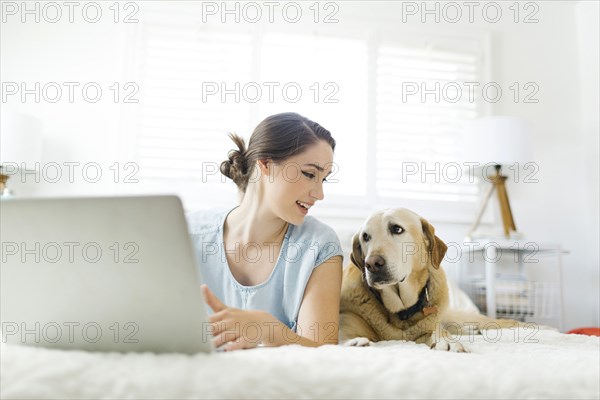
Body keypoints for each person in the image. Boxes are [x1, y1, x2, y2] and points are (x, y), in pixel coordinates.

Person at [187, 112, 344, 352]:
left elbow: (323, 351)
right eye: (310, 174)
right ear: (266, 163)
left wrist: (267, 327)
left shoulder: (319, 246)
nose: (319, 194)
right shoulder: (189, 233)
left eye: (324, 179)